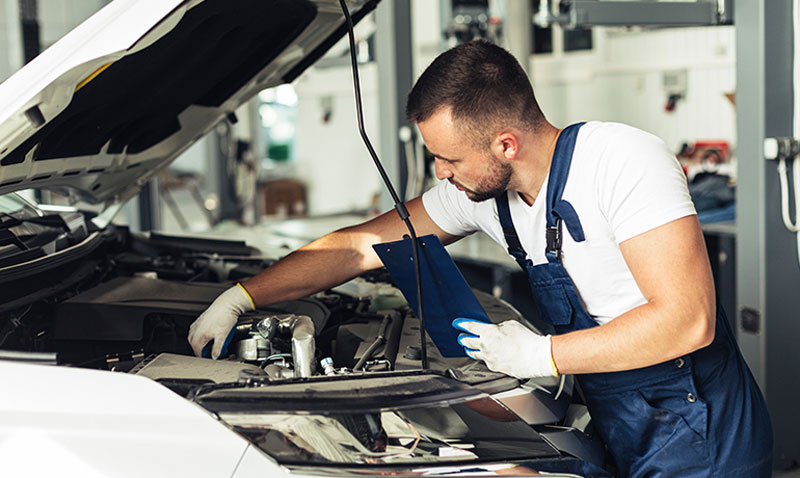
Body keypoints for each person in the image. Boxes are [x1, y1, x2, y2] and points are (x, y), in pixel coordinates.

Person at [188, 40, 773, 476]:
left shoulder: (622, 161)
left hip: (700, 426)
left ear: (505, 144)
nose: (439, 174)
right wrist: (242, 296)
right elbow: (357, 246)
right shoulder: (484, 191)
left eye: (447, 159)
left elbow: (686, 320)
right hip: (618, 415)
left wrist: (543, 352)